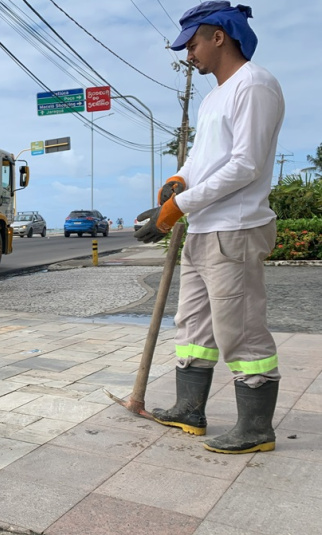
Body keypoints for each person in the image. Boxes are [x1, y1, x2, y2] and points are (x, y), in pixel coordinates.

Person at [134, 1, 284, 454]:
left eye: (193, 43)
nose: (188, 54)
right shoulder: (216, 94)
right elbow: (204, 160)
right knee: (194, 324)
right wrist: (178, 180)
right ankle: (189, 410)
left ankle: (256, 429)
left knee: (239, 327)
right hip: (203, 228)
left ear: (219, 36)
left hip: (234, 228)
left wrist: (177, 206)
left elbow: (245, 164)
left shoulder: (255, 86)